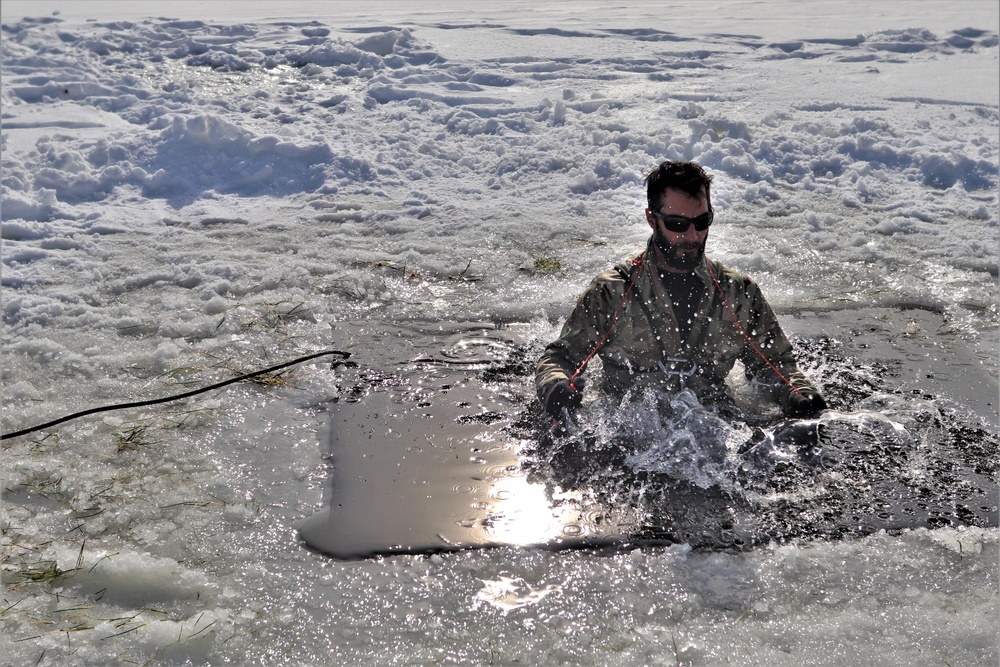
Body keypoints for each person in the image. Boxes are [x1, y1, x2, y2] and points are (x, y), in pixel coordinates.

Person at [536, 160, 827, 422]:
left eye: (702, 223)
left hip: (713, 428)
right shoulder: (612, 292)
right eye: (677, 224)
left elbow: (774, 365)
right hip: (629, 431)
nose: (692, 236)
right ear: (652, 219)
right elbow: (560, 358)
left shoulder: (738, 293)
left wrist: (797, 394)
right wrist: (556, 387)